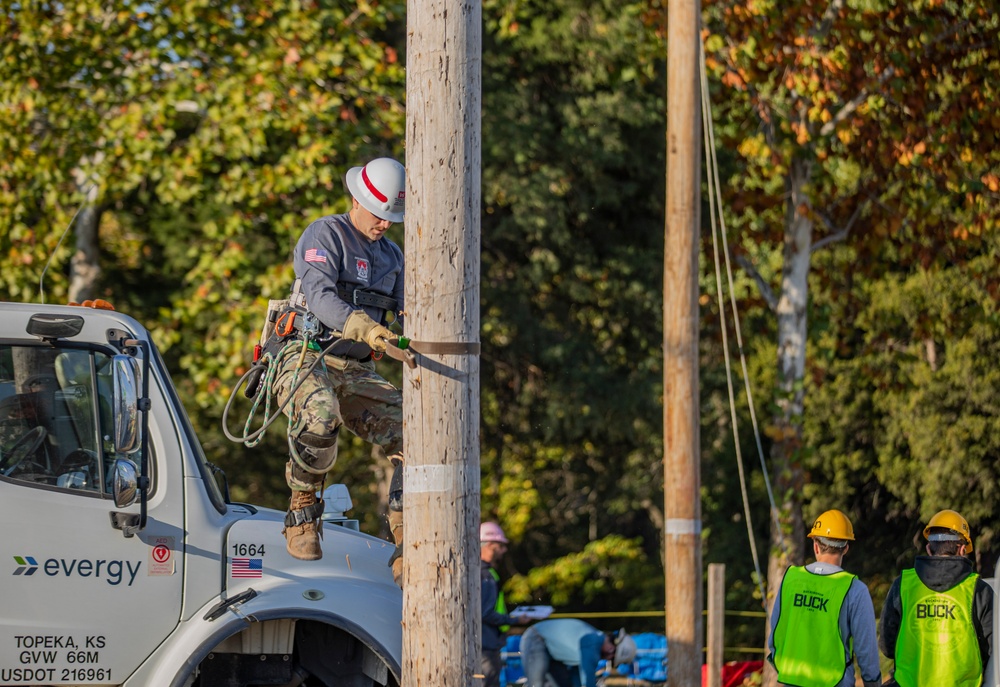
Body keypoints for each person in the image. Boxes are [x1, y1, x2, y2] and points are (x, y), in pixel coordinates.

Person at [272, 157, 406, 584]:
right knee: (320, 416)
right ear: (356, 199)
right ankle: (303, 510)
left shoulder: (393, 256)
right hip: (307, 354)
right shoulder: (326, 234)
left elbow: (405, 313)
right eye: (378, 213)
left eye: (392, 216)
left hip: (355, 367)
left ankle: (409, 537)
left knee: (417, 433)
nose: (384, 224)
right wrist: (365, 328)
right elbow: (321, 294)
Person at [879, 509, 993, 687]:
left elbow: (887, 646)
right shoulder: (979, 590)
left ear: (928, 548)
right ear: (963, 549)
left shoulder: (903, 585)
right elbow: (993, 650)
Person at [767, 509, 881, 687]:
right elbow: (867, 653)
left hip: (791, 681)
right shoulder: (855, 589)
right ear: (846, 548)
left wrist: (786, 671)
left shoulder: (790, 579)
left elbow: (775, 637)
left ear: (816, 546)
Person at [519, 618, 637, 687]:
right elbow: (588, 681)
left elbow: (576, 680)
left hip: (552, 654)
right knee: (537, 684)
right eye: (611, 658)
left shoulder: (591, 646)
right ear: (612, 649)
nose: (607, 659)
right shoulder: (593, 644)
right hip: (536, 639)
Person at [480, 521, 528, 687]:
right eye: (500, 546)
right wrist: (514, 620)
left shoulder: (483, 572)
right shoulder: (485, 574)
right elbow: (485, 613)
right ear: (490, 545)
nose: (504, 550)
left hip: (486, 642)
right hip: (486, 645)